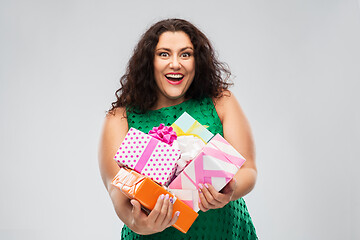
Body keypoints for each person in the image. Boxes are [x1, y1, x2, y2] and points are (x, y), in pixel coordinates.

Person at [99, 18, 258, 239]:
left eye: (185, 54)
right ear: (149, 61)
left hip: (225, 232)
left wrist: (230, 191)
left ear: (197, 61)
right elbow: (117, 189)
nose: (175, 63)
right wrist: (138, 223)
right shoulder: (120, 118)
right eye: (164, 54)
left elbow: (248, 169)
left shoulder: (221, 101)